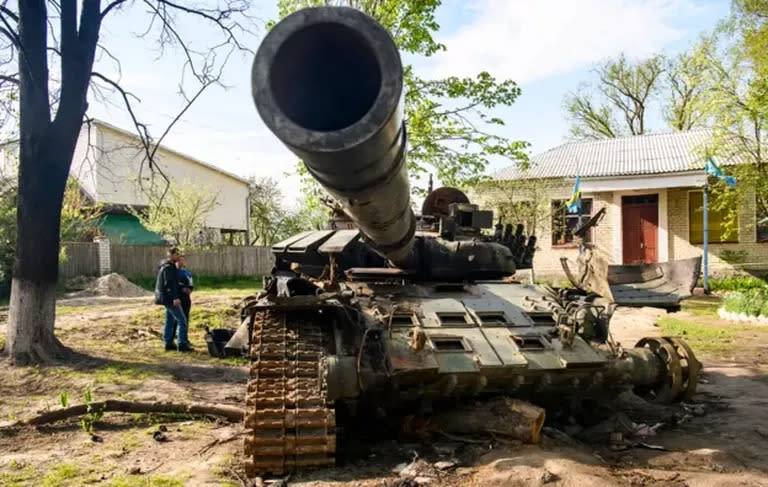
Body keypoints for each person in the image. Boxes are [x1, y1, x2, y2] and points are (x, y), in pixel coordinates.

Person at [154, 247, 192, 352]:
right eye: (177, 255)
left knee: (170, 321)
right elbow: (169, 285)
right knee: (182, 321)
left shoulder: (169, 267)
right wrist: (175, 298)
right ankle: (182, 345)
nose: (178, 257)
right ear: (170, 255)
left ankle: (169, 343)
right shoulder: (168, 268)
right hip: (169, 299)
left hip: (167, 298)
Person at [176, 255, 193, 323]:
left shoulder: (187, 273)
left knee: (185, 317)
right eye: (179, 260)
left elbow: (191, 285)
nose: (181, 262)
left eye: (183, 260)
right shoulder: (173, 272)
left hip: (186, 298)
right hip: (177, 298)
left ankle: (184, 333)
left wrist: (189, 290)